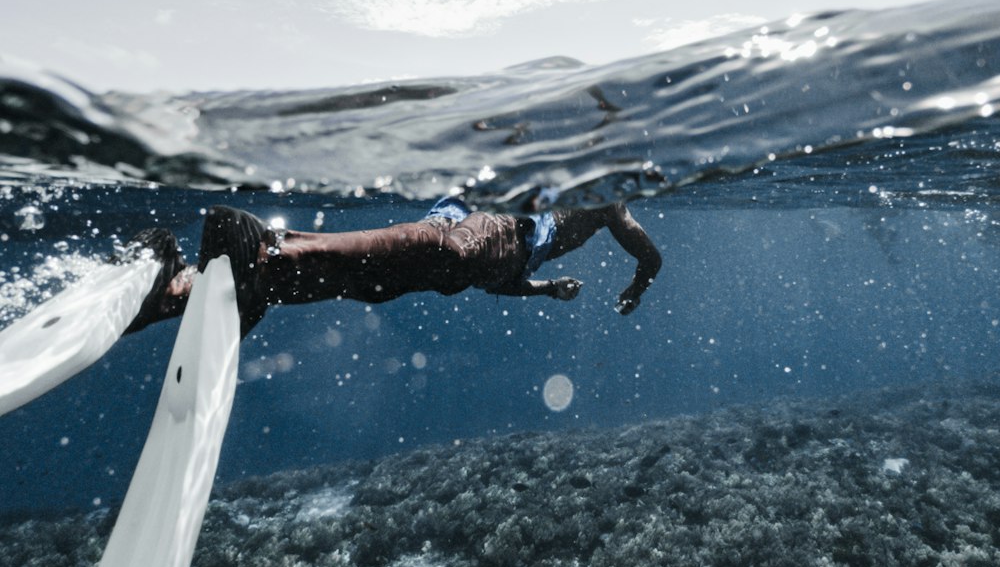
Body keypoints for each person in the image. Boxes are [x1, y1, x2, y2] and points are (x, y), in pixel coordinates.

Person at [123, 198, 662, 340]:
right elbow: (649, 256)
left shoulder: (592, 212)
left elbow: (500, 278)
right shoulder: (603, 202)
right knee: (440, 251)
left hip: (490, 241)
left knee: (381, 279)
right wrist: (636, 287)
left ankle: (187, 288)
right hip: (492, 226)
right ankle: (268, 253)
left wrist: (544, 290)